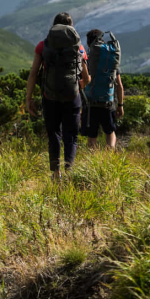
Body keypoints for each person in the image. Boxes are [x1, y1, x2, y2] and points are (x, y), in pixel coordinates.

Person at [26, 12, 90, 180]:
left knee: (54, 133)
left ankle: (56, 173)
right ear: (71, 27)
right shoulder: (79, 47)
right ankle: (69, 172)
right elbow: (87, 77)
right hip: (72, 97)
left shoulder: (43, 45)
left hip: (50, 96)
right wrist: (80, 84)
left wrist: (29, 98)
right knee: (71, 135)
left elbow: (33, 74)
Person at [84, 29, 123, 150]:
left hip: (90, 103)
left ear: (89, 43)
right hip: (108, 102)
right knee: (110, 132)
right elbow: (119, 85)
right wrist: (120, 105)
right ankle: (109, 153)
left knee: (92, 137)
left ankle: (93, 161)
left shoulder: (88, 60)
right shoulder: (110, 61)